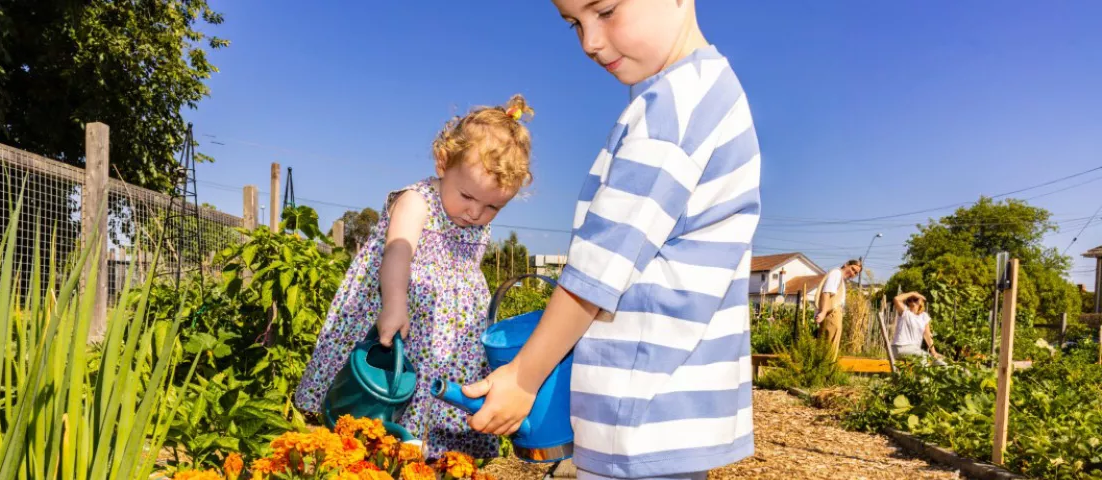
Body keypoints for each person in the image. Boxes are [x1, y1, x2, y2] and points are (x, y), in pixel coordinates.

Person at [462, 1, 762, 478]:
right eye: (574, 24)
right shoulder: (698, 93)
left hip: (641, 407)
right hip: (664, 409)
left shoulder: (676, 108)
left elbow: (598, 269)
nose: (590, 41)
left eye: (604, 10)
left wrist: (523, 376)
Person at [292, 95, 536, 459]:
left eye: (492, 207)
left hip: (450, 338)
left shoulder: (473, 217)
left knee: (437, 404)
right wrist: (394, 302)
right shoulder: (417, 200)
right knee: (382, 398)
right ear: (442, 163)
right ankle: (374, 445)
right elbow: (398, 251)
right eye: (468, 196)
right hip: (404, 312)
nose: (475, 213)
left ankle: (427, 457)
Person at [813, 259, 861, 355]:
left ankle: (825, 368)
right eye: (852, 269)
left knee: (828, 349)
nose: (853, 273)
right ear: (846, 264)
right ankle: (825, 369)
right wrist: (822, 312)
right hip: (831, 314)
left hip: (833, 314)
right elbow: (826, 292)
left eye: (855, 273)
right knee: (828, 351)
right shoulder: (836, 273)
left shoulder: (840, 278)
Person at [891, 291, 947, 366]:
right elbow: (896, 299)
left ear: (921, 301)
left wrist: (933, 352)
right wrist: (912, 294)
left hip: (913, 350)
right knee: (929, 362)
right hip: (900, 347)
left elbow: (927, 336)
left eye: (915, 299)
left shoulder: (924, 316)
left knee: (939, 361)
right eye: (909, 300)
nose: (912, 302)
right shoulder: (905, 312)